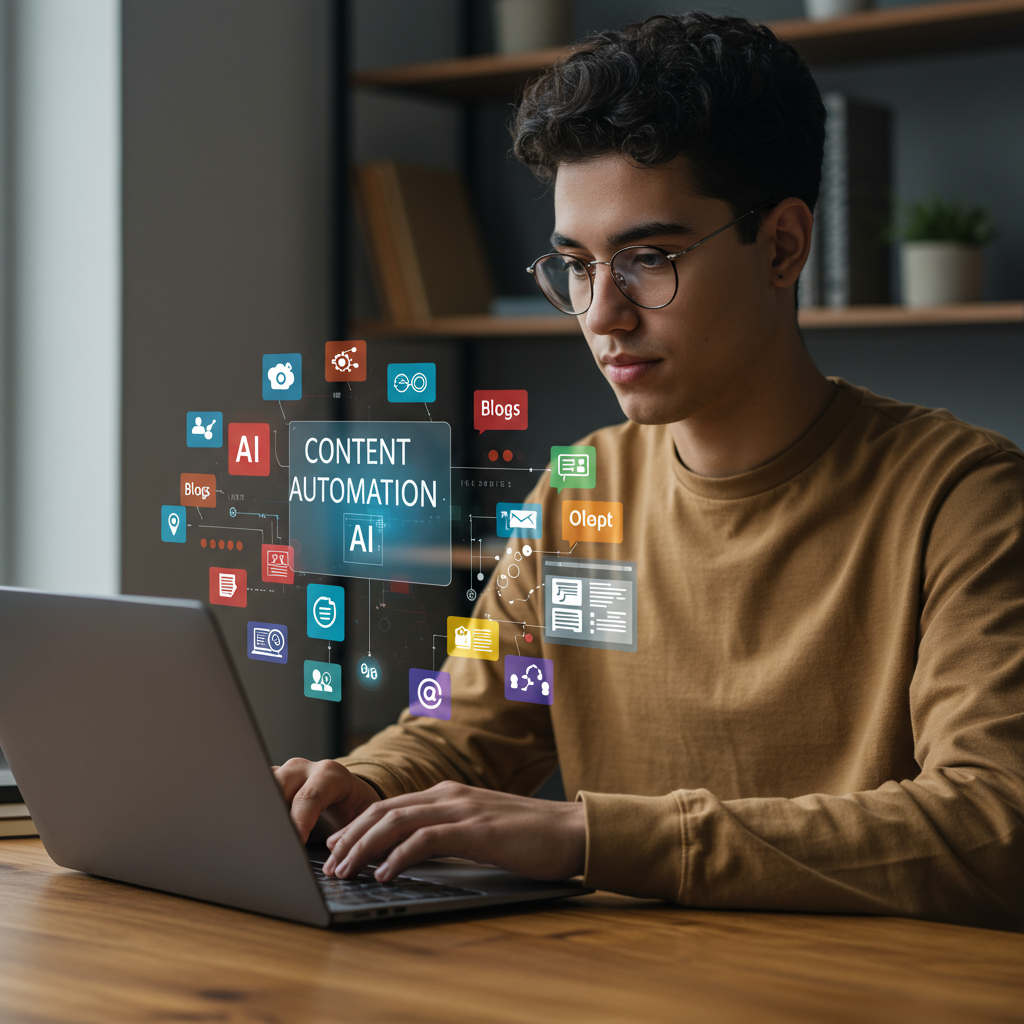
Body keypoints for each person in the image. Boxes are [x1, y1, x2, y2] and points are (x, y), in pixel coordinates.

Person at [275, 13, 1024, 930]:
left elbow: (996, 828)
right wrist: (360, 785)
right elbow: (472, 721)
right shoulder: (578, 489)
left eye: (647, 259)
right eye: (576, 267)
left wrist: (590, 838)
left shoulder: (965, 501)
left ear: (783, 247)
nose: (602, 316)